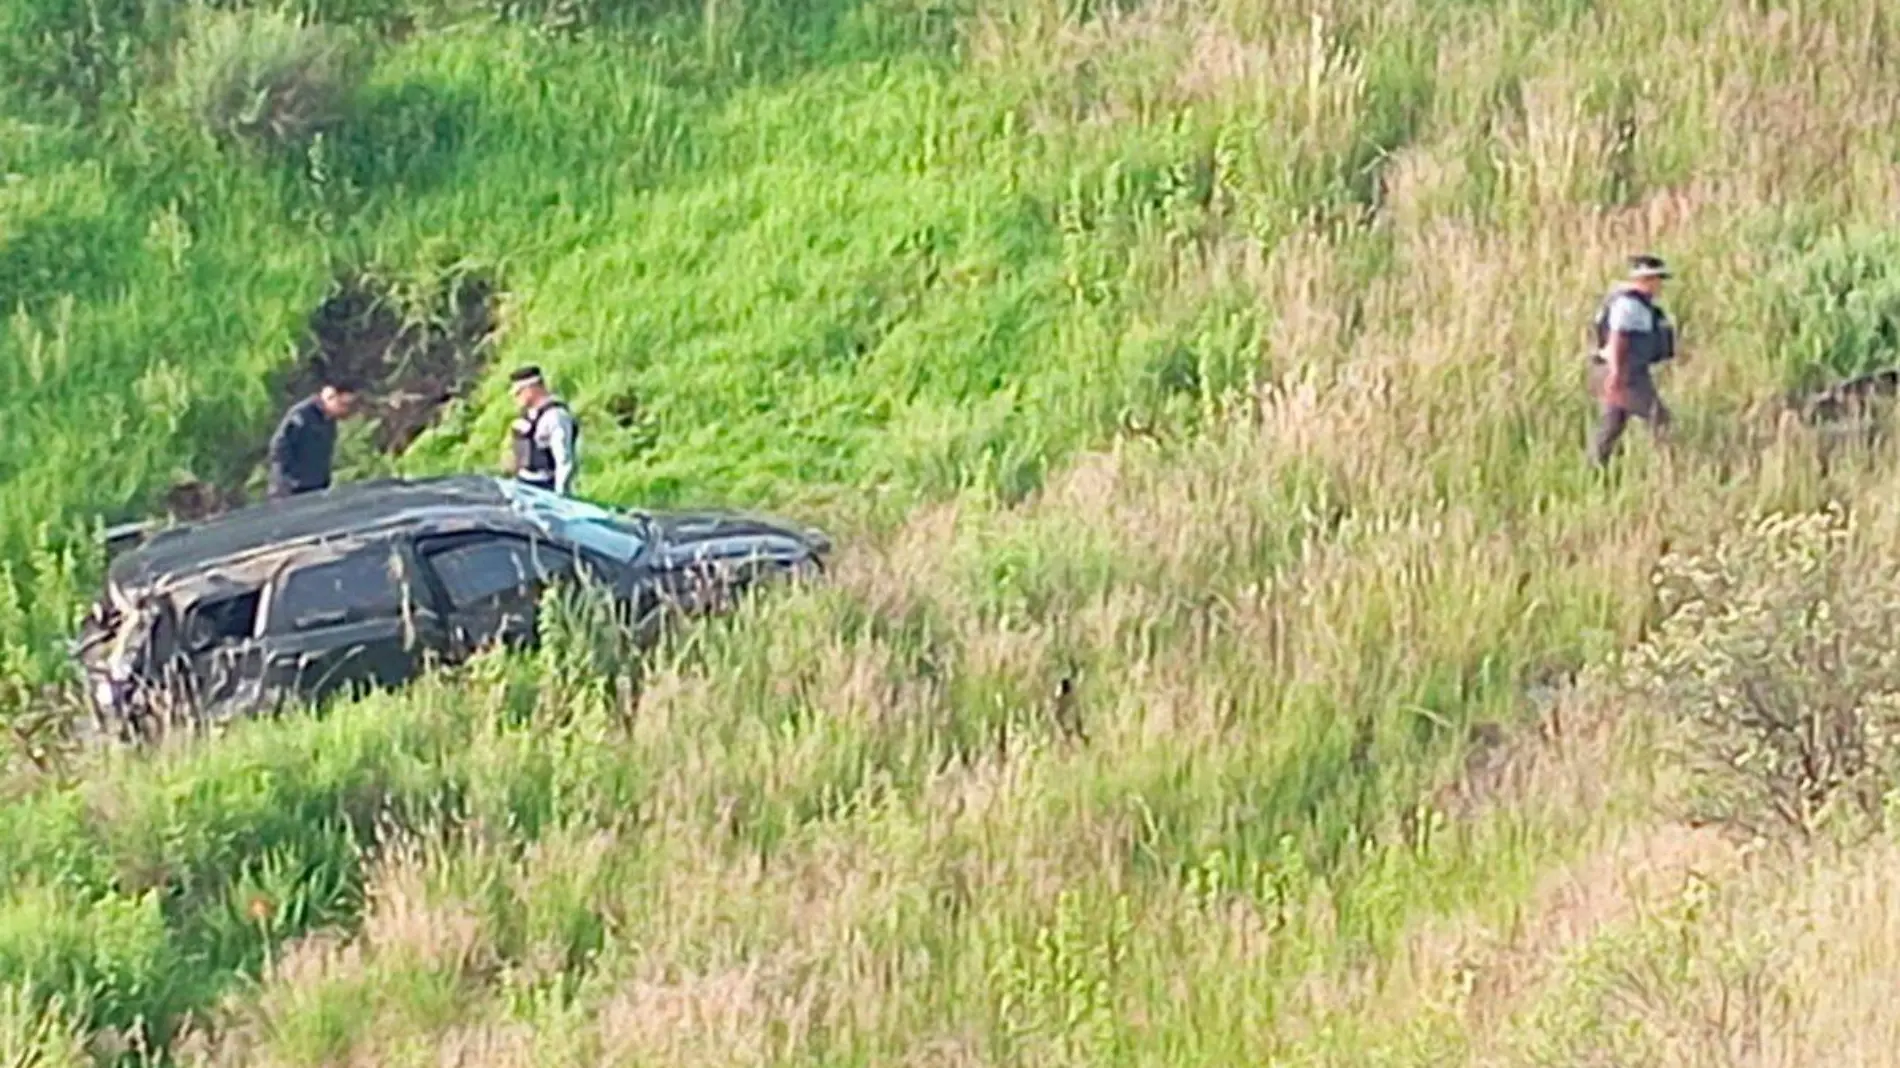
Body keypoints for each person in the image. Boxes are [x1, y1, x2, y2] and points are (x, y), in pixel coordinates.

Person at [1587, 254, 1680, 468]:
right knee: (1660, 420)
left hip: (1622, 371)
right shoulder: (1630, 304)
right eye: (1656, 279)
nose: (1659, 285)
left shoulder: (1635, 303)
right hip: (1627, 374)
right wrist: (1617, 375)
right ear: (1645, 280)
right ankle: (1670, 468)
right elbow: (1619, 338)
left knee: (1613, 423)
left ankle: (1595, 467)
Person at [266, 376, 363, 499]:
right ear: (330, 396)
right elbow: (279, 447)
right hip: (291, 491)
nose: (345, 410)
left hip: (316, 488)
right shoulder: (302, 415)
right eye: (342, 404)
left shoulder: (329, 421)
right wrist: (288, 480)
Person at [507, 365, 579, 495]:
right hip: (523, 487)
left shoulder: (556, 416)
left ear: (532, 389)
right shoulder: (527, 415)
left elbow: (564, 461)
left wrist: (560, 497)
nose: (515, 398)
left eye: (519, 392)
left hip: (545, 489)